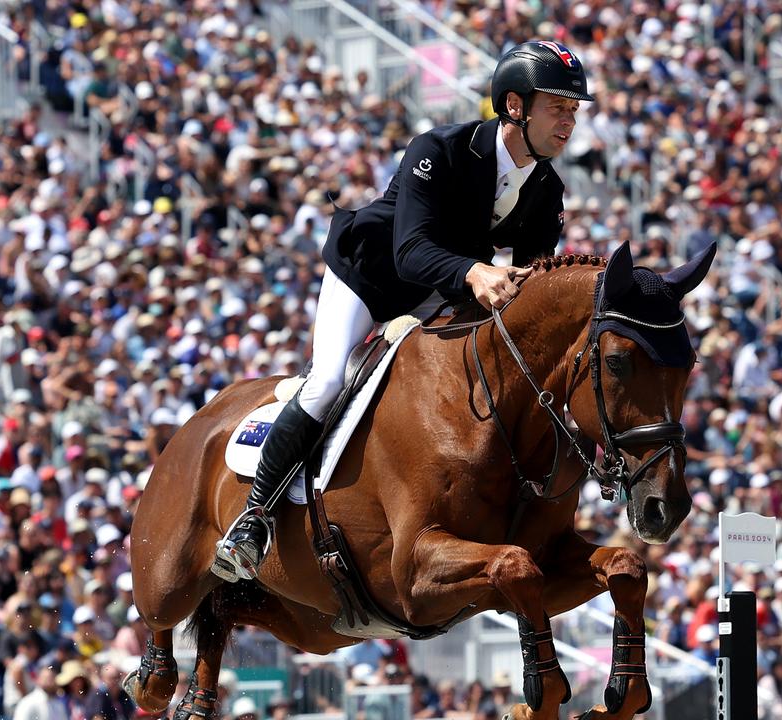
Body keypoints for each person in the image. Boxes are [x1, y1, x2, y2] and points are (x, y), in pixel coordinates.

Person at [211, 40, 593, 582]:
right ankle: (254, 519)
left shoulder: (547, 189)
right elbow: (410, 252)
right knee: (327, 382)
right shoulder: (438, 150)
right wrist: (476, 272)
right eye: (558, 107)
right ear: (515, 106)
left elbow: (531, 280)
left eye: (574, 111)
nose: (569, 122)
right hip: (369, 276)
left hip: (439, 294)